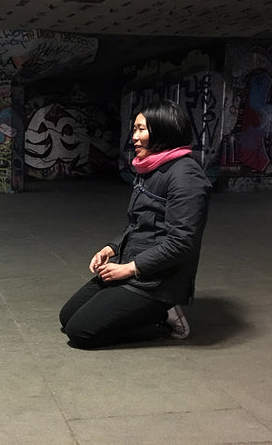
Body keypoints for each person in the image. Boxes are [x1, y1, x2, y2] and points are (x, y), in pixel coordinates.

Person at [59, 99, 212, 349]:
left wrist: (130, 269)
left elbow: (182, 243)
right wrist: (111, 248)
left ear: (163, 131)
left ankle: (162, 320)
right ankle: (140, 309)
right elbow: (139, 224)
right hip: (134, 263)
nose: (134, 137)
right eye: (135, 129)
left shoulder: (186, 176)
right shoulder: (152, 169)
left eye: (141, 129)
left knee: (80, 333)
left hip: (158, 280)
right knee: (67, 318)